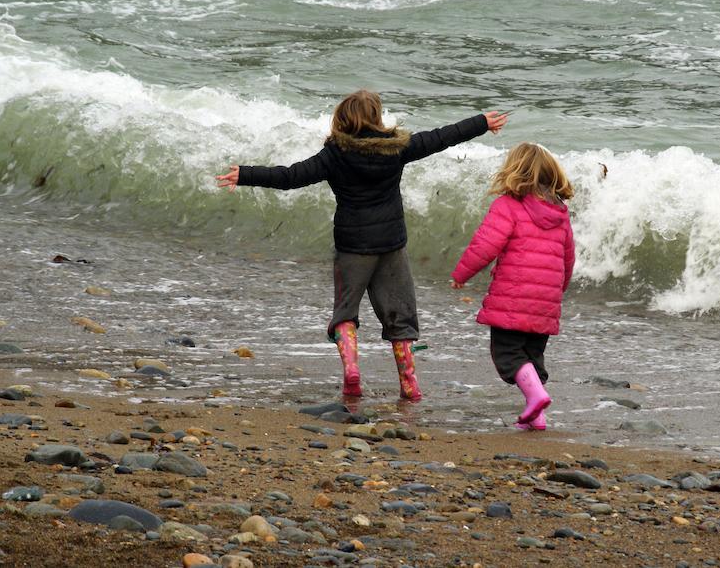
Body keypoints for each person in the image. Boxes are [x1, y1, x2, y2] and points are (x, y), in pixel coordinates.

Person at [217, 90, 508, 401]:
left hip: (352, 246)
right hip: (391, 245)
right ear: (376, 119)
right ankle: (409, 384)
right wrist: (480, 123)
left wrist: (246, 174)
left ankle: (352, 371)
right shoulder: (397, 149)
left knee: (345, 313)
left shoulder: (334, 155)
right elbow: (440, 138)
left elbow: (290, 177)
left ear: (342, 119)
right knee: (400, 316)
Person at [450, 142, 575, 430]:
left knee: (507, 354)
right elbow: (569, 257)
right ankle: (537, 416)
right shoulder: (559, 213)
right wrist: (558, 290)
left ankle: (535, 397)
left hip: (513, 300)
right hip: (546, 301)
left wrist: (461, 275)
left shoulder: (507, 206)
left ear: (514, 172)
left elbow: (485, 245)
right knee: (532, 356)